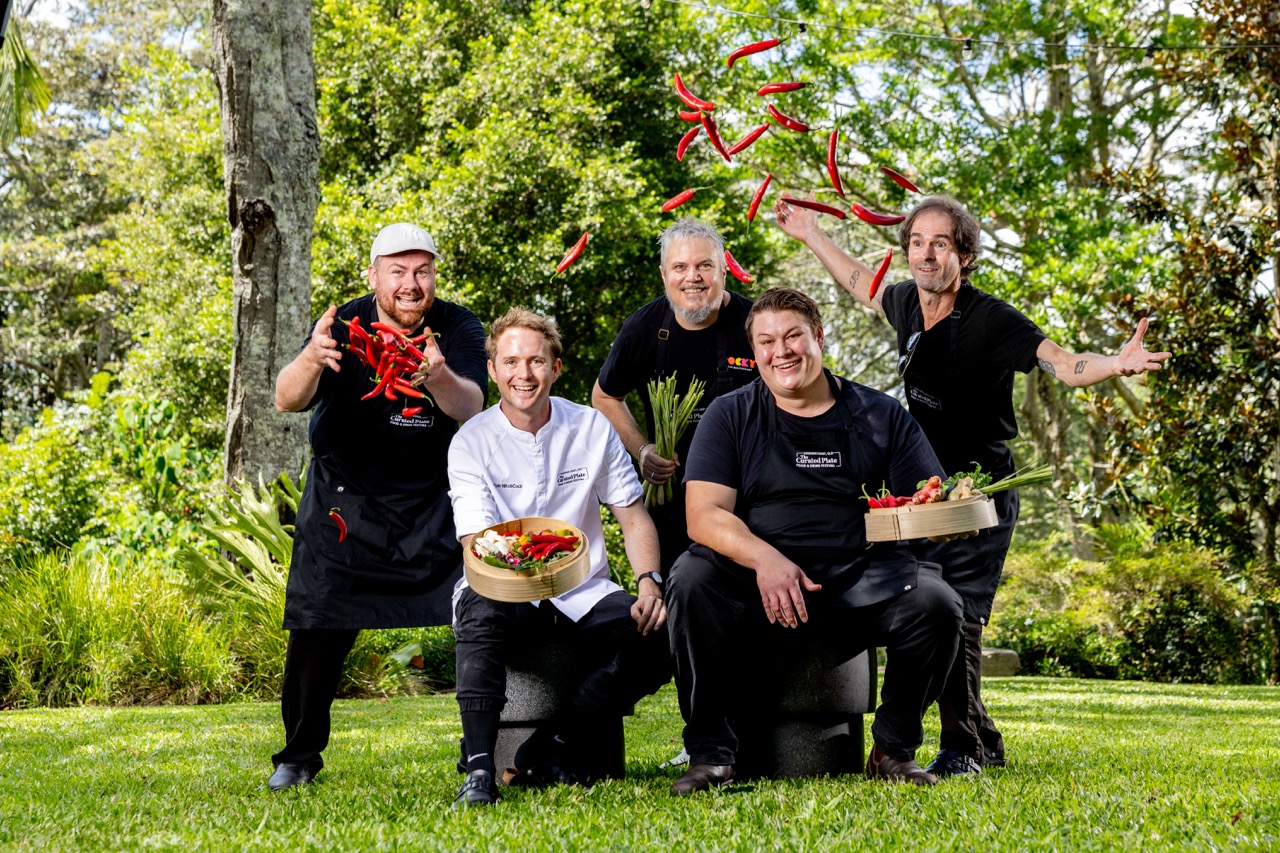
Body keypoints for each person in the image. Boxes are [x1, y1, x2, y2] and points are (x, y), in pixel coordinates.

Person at [774, 193, 1172, 777]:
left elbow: (1061, 362)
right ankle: (983, 737)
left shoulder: (991, 320)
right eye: (916, 243)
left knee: (956, 615)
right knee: (929, 606)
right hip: (928, 493)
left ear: (964, 254)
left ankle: (962, 749)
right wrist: (811, 234)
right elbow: (863, 282)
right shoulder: (907, 302)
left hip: (981, 493)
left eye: (940, 244)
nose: (926, 254)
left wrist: (1113, 364)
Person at [667, 287, 964, 794]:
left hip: (861, 579)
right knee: (691, 579)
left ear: (819, 337)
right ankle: (710, 754)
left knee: (937, 603)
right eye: (766, 342)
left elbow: (925, 499)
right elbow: (703, 515)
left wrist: (953, 510)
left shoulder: (880, 415)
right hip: (754, 581)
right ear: (754, 351)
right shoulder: (729, 414)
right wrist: (765, 560)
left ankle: (892, 750)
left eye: (793, 336)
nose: (781, 351)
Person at [268, 222, 487, 791]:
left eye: (422, 271)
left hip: (432, 502)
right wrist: (313, 357)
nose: (410, 284)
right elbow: (286, 397)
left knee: (484, 616)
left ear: (434, 275)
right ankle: (298, 757)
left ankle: (481, 751)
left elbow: (471, 406)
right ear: (373, 275)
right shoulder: (341, 325)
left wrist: (437, 376)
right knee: (316, 624)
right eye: (397, 271)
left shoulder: (459, 325)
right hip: (345, 502)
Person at [447, 307, 672, 807]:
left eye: (535, 361)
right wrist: (516, 575)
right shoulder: (470, 442)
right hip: (502, 586)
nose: (523, 374)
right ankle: (479, 770)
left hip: (582, 588)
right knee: (479, 609)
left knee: (663, 630)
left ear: (556, 367)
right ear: (492, 370)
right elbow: (478, 544)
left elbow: (634, 518)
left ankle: (551, 743)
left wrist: (649, 582)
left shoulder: (591, 427)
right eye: (510, 362)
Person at [592, 217, 758, 575]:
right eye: (680, 267)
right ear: (664, 274)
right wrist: (643, 450)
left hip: (749, 494)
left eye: (704, 266)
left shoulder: (755, 323)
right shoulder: (643, 328)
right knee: (677, 588)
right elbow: (604, 397)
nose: (692, 277)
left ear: (724, 270)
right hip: (671, 499)